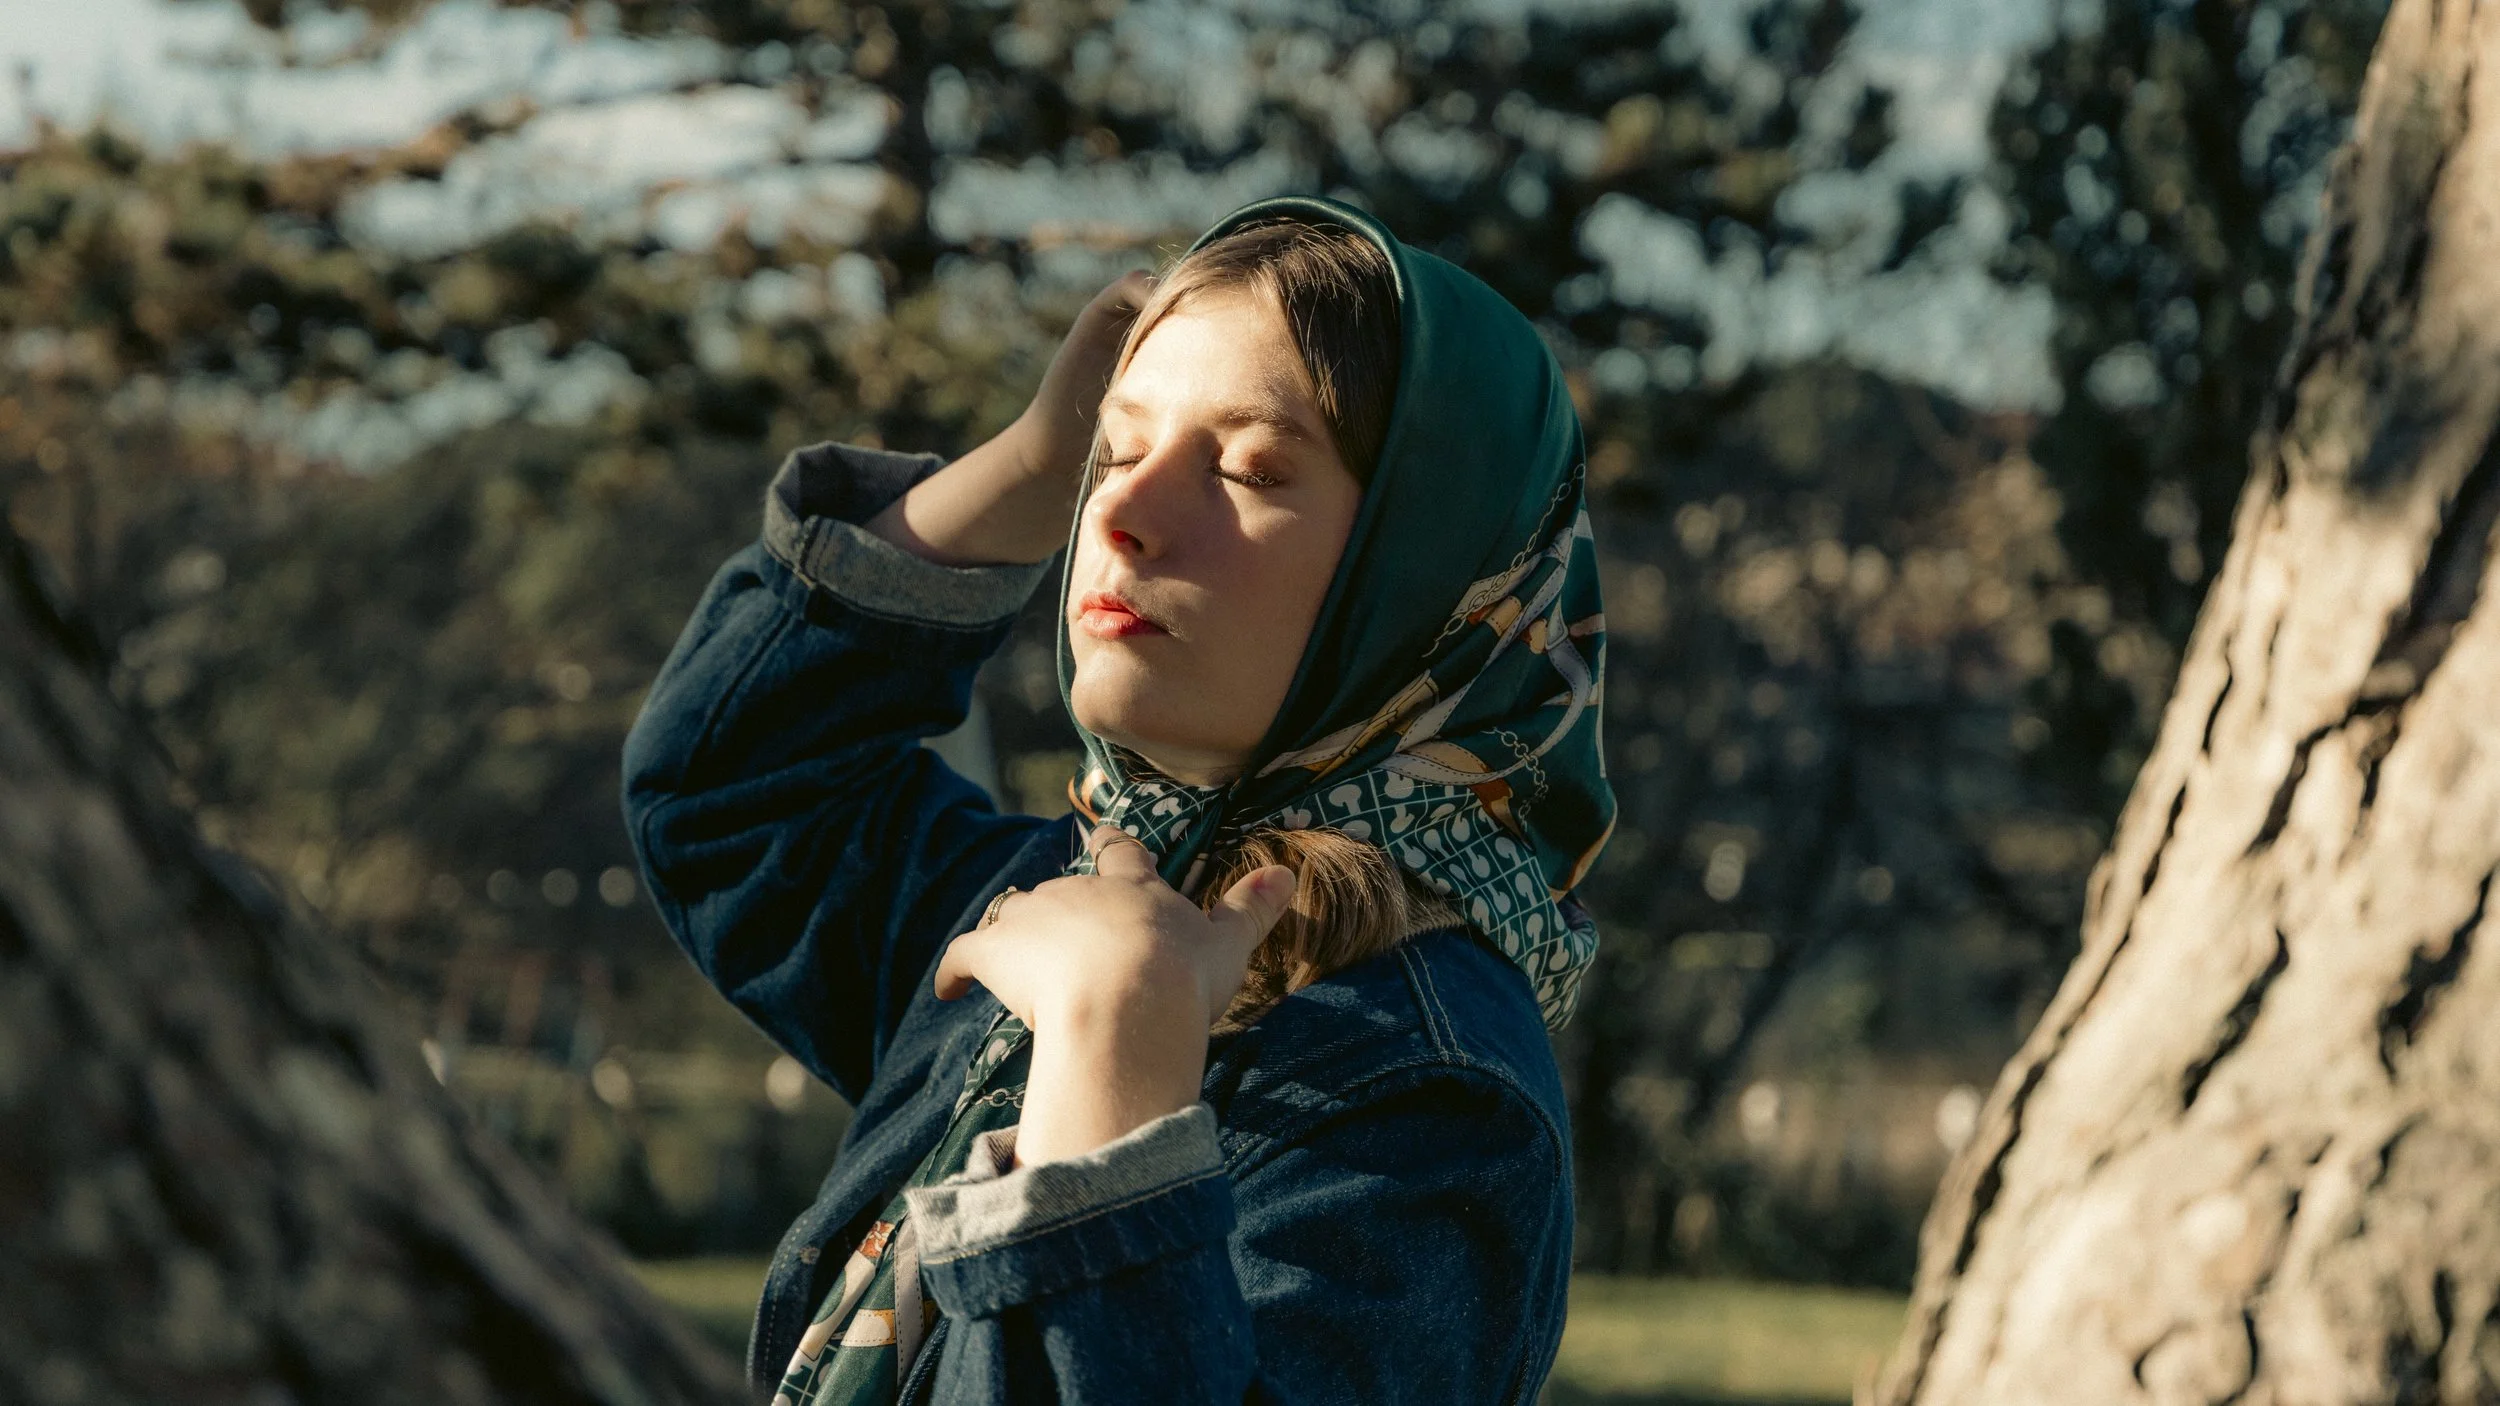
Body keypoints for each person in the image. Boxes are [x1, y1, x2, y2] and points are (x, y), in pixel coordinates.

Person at [622, 194, 1614, 1405]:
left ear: (1434, 576)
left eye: (1250, 467)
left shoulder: (1434, 1094)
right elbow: (729, 789)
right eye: (1119, 447)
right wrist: (1034, 465)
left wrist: (1110, 1066)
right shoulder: (1055, 904)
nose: (1123, 511)